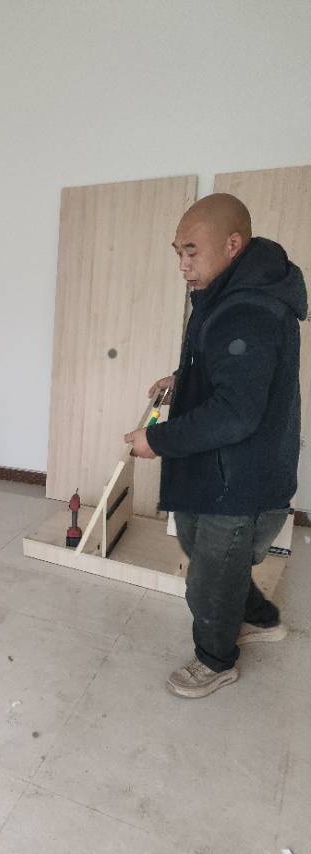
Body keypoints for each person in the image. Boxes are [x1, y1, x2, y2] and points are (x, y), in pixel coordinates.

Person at [124, 192, 308, 699]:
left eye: (191, 251)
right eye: (177, 253)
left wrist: (156, 439)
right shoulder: (229, 292)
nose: (182, 265)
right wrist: (183, 380)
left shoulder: (247, 309)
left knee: (209, 580)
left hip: (239, 479)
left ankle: (216, 660)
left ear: (232, 245)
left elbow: (236, 412)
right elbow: (230, 371)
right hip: (221, 468)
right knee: (211, 558)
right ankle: (260, 618)